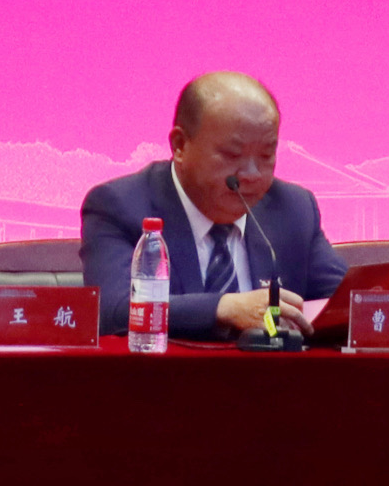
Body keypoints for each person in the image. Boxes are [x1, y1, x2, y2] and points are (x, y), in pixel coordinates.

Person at [80, 71, 349, 344]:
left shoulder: (292, 208)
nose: (252, 174)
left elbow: (348, 304)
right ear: (180, 146)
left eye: (266, 155)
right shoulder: (120, 205)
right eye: (232, 155)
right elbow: (112, 311)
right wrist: (225, 308)